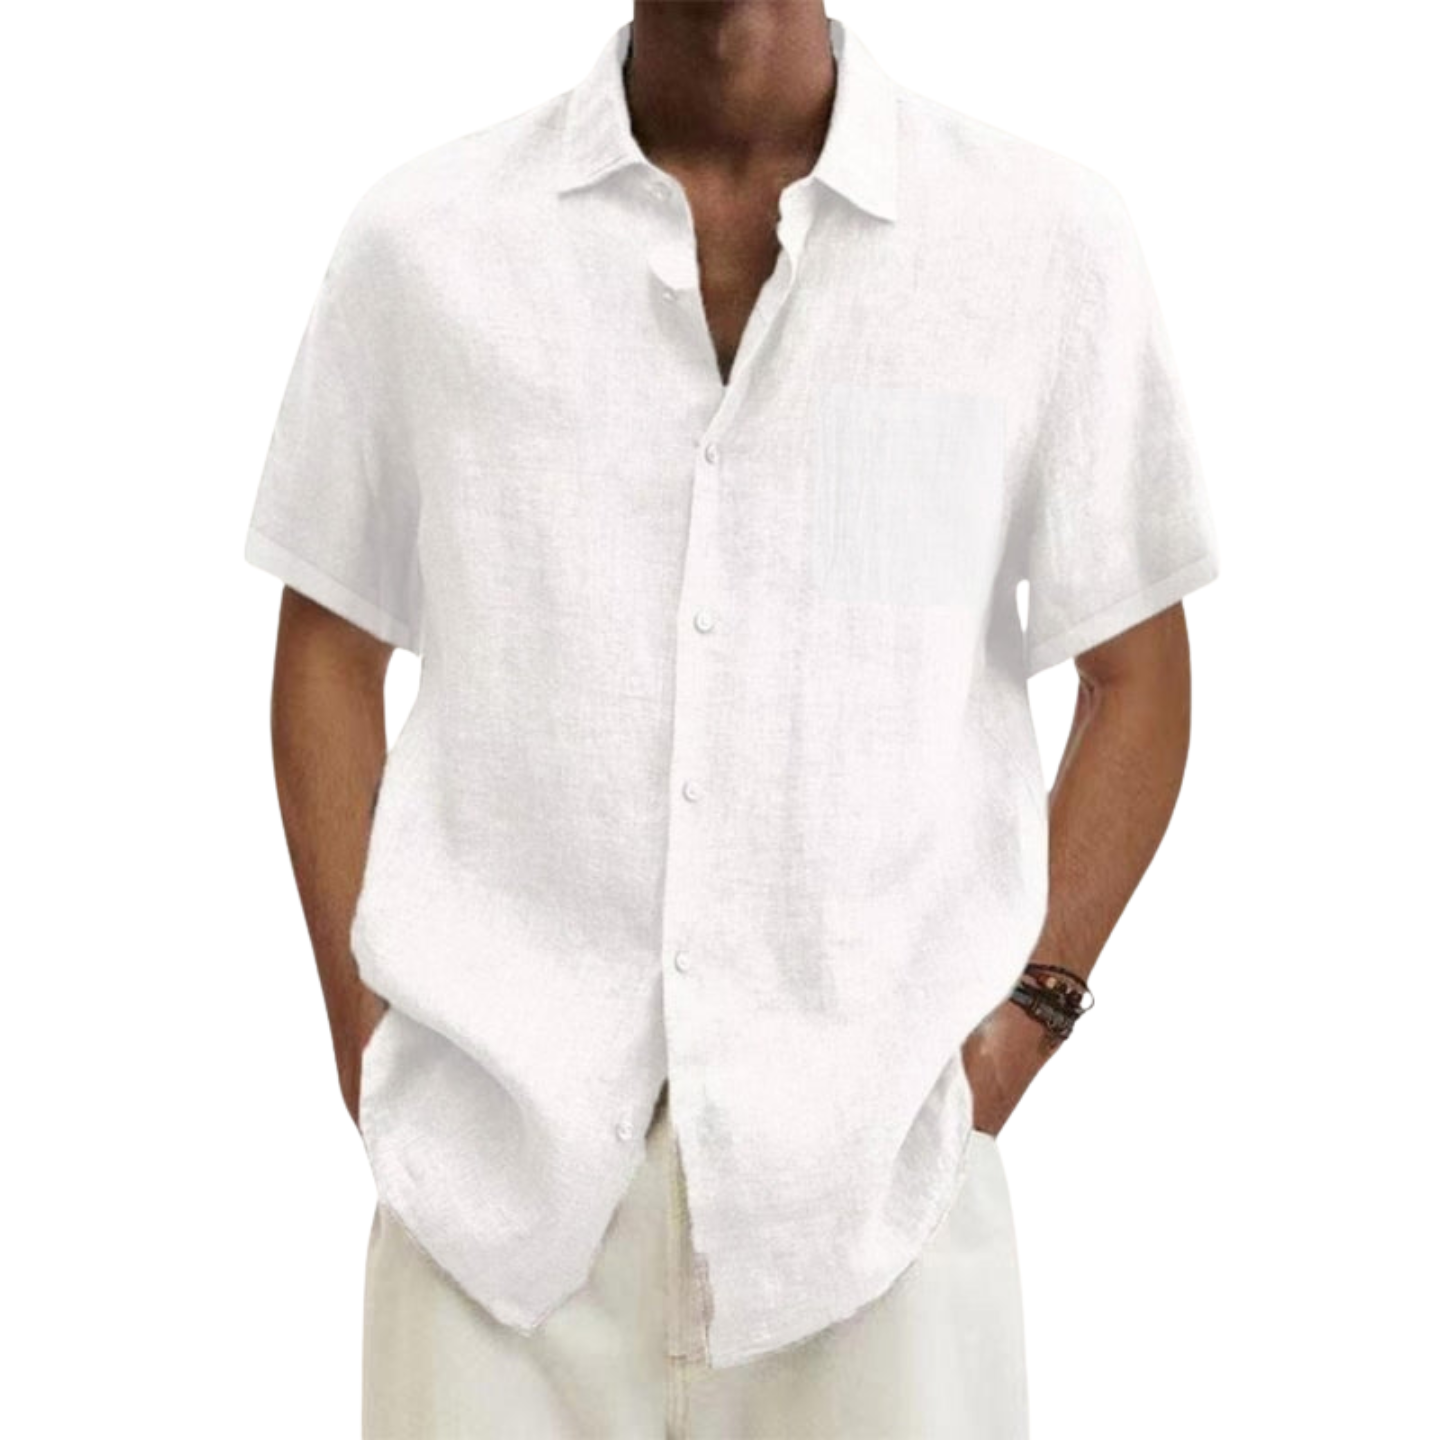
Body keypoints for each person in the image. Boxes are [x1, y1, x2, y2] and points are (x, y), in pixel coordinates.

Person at [244, 4, 1220, 1435]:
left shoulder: (1039, 240)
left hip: (879, 1211)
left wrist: (1020, 1031)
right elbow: (328, 650)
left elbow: (1138, 674)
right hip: (491, 1215)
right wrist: (373, 1045)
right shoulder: (426, 245)